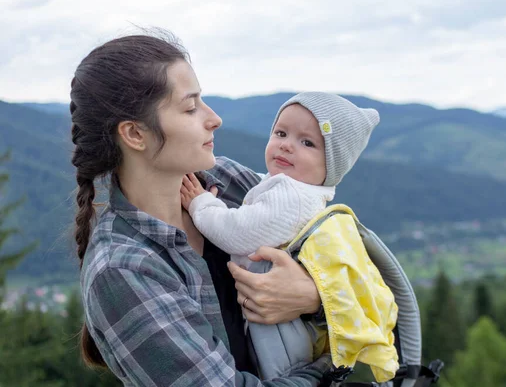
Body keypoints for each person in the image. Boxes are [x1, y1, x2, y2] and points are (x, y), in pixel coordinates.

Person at [70, 31, 331, 386]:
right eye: (191, 107)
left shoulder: (227, 183)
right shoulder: (123, 270)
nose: (214, 118)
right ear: (135, 134)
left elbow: (364, 264)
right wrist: (331, 369)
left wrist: (314, 297)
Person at [179, 92, 399, 382]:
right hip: (279, 317)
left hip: (281, 332)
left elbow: (236, 234)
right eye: (281, 133)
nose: (286, 145)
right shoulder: (292, 188)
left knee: (278, 374)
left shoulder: (291, 198)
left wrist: (201, 204)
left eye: (307, 142)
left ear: (332, 166)